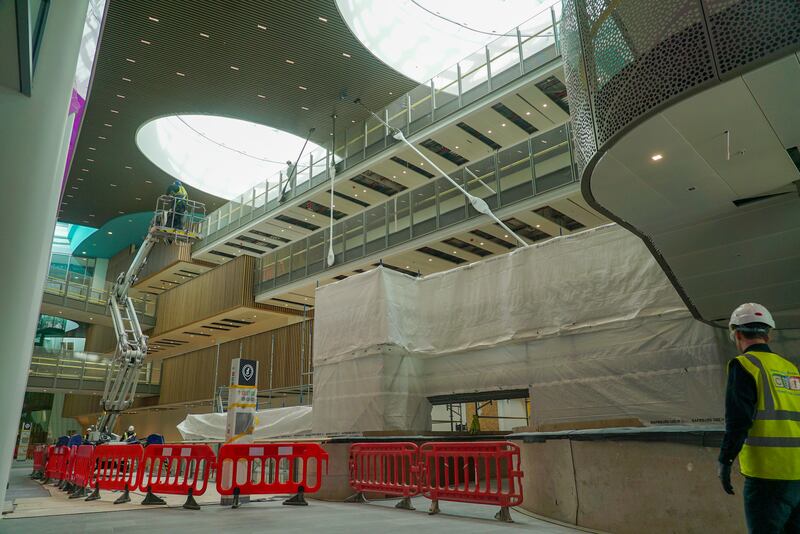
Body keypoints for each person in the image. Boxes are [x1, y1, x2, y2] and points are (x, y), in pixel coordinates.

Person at [718, 303, 800, 533]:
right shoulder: (791, 368)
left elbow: (738, 421)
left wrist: (725, 460)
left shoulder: (744, 365)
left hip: (767, 476)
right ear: (769, 334)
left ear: (738, 334)